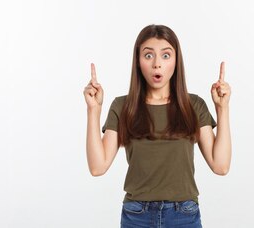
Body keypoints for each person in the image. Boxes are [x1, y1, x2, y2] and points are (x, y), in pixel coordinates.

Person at [83, 24, 232, 228]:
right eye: (148, 55)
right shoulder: (122, 106)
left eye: (165, 55)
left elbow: (220, 165)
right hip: (136, 216)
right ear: (138, 61)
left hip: (184, 215)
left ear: (176, 61)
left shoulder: (193, 105)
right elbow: (97, 167)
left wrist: (222, 109)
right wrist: (94, 110)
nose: (157, 64)